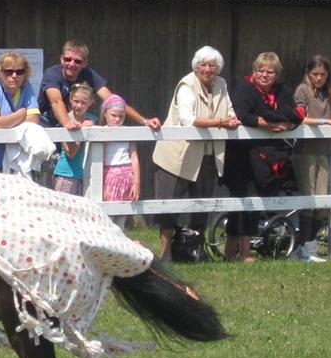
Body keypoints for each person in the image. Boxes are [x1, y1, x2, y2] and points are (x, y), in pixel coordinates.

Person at [150, 46, 240, 262]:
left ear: (218, 68)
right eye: (203, 64)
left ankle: (194, 251)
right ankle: (166, 254)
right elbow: (187, 119)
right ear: (196, 66)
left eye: (212, 65)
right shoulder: (186, 84)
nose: (207, 69)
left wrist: (232, 119)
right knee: (168, 206)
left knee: (202, 205)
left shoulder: (221, 84)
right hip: (177, 155)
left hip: (208, 155)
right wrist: (221, 123)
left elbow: (229, 111)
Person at [223, 52, 303, 262]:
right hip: (241, 156)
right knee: (244, 200)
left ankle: (230, 252)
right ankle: (245, 253)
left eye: (270, 71)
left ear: (277, 75)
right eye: (261, 70)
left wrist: (286, 123)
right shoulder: (244, 88)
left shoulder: (281, 91)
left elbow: (294, 114)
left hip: (266, 156)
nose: (265, 75)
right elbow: (242, 115)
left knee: (251, 201)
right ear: (254, 71)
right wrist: (270, 124)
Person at [292, 55, 331, 263]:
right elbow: (300, 117)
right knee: (310, 198)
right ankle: (305, 246)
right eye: (315, 74)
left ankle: (311, 243)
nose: (318, 78)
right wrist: (328, 121)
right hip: (305, 150)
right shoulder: (302, 90)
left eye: (322, 74)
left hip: (324, 150)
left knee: (323, 200)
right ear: (308, 74)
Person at [38, 39, 161, 131]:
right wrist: (67, 124)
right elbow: (56, 102)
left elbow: (113, 100)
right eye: (67, 59)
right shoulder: (52, 73)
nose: (71, 64)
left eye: (77, 61)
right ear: (61, 59)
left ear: (84, 63)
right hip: (47, 126)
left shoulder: (88, 75)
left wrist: (145, 121)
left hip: (73, 127)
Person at [52, 83, 96, 195]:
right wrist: (80, 131)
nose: (79, 105)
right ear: (70, 99)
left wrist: (88, 125)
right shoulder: (66, 119)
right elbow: (71, 153)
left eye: (83, 102)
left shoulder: (92, 119)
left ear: (90, 102)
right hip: (66, 173)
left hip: (85, 174)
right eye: (76, 101)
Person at [100, 94, 140, 206]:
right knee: (109, 212)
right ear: (105, 114)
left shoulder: (127, 132)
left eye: (121, 116)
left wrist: (136, 182)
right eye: (113, 115)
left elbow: (134, 157)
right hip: (109, 175)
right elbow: (100, 158)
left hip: (127, 175)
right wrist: (102, 186)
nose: (117, 119)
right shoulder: (101, 133)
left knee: (123, 214)